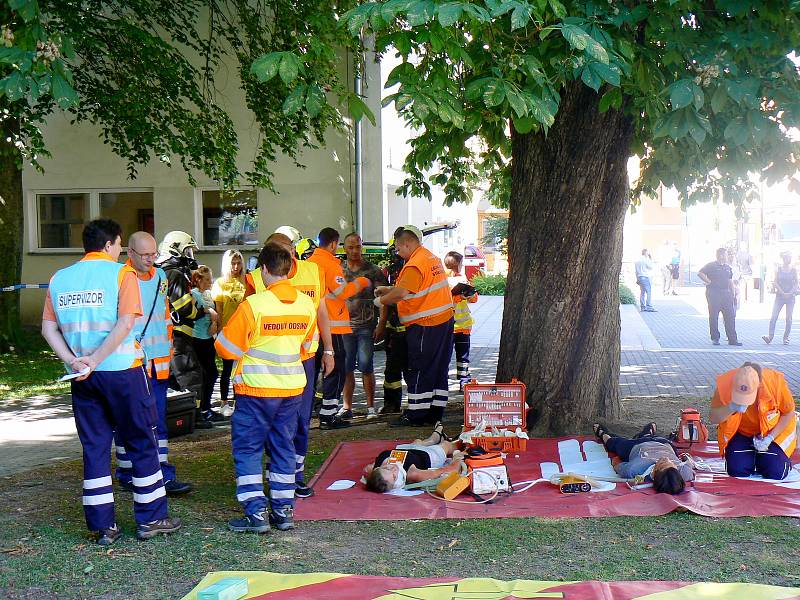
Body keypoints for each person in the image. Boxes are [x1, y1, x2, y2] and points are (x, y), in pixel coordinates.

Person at [41, 219, 181, 545]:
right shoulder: (122, 274)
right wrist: (97, 358)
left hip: (83, 377)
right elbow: (125, 323)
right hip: (122, 372)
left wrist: (76, 360)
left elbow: (49, 330)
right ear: (110, 245)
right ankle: (152, 519)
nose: (120, 250)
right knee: (142, 442)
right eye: (119, 245)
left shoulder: (59, 278)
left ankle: (103, 526)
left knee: (95, 447)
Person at [215, 242, 318, 533]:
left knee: (248, 449)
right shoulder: (306, 304)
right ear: (289, 270)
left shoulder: (254, 305)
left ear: (262, 270)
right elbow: (309, 347)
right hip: (291, 390)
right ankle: (283, 510)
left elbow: (225, 348)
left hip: (256, 390)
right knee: (283, 446)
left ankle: (256, 513)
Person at [114, 231, 193, 497]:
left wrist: (169, 353)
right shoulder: (119, 277)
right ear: (130, 253)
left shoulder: (160, 276)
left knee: (157, 420)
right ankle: (127, 472)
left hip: (158, 362)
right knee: (129, 419)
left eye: (153, 255)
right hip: (131, 363)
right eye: (145, 255)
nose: (150, 260)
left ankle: (160, 473)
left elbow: (164, 316)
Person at [261, 230, 334, 499]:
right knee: (276, 420)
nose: (287, 255)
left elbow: (321, 310)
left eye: (289, 249)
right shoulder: (259, 277)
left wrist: (329, 350)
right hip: (271, 363)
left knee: (302, 420)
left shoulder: (312, 271)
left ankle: (296, 475)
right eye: (280, 251)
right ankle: (276, 475)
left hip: (304, 359)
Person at [375, 225, 454, 427]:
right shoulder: (430, 258)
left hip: (425, 324)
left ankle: (416, 414)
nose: (397, 252)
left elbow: (402, 294)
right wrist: (389, 289)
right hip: (443, 322)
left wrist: (381, 301)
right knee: (438, 369)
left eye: (399, 248)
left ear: (407, 244)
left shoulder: (414, 264)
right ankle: (435, 412)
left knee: (419, 368)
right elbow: (411, 288)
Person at [307, 227, 372, 429]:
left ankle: (309, 413)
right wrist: (362, 282)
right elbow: (343, 292)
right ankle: (328, 415)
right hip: (332, 326)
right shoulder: (329, 263)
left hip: (312, 326)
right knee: (335, 370)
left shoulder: (308, 264)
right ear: (334, 244)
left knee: (314, 370)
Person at [156, 231, 216, 427]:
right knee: (192, 375)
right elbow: (186, 309)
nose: (191, 256)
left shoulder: (164, 272)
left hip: (171, 336)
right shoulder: (174, 274)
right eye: (188, 250)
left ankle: (178, 417)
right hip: (178, 335)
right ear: (176, 250)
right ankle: (195, 416)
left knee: (175, 379)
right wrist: (202, 311)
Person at [710, 363, 798, 480]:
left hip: (772, 432)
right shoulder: (724, 385)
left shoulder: (775, 383)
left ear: (759, 385)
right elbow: (713, 418)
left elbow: (789, 413)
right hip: (741, 432)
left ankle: (764, 458)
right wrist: (731, 407)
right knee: (736, 470)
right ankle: (754, 457)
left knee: (775, 471)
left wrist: (769, 438)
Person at [340, 232, 388, 420]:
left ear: (362, 247)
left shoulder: (373, 270)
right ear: (344, 248)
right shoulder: (339, 270)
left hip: (366, 326)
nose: (354, 251)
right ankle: (347, 407)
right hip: (344, 326)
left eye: (357, 247)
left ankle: (370, 408)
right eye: (350, 247)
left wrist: (382, 323)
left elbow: (383, 299)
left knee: (367, 366)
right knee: (346, 367)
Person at [593, 423, 693, 494]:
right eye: (672, 463)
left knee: (612, 443)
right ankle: (647, 433)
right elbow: (689, 461)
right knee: (647, 436)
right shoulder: (684, 472)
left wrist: (622, 455)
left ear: (655, 472)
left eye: (662, 463)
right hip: (662, 442)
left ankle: (603, 434)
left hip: (636, 445)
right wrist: (685, 458)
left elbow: (616, 463)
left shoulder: (633, 469)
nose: (666, 458)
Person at [363, 424, 465, 493]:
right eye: (394, 476)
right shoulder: (412, 474)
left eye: (386, 468)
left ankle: (435, 438)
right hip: (427, 456)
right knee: (446, 445)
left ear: (377, 469)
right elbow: (448, 470)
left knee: (418, 442)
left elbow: (368, 471)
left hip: (407, 449)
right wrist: (457, 457)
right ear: (396, 484)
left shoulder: (374, 469)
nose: (394, 468)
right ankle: (463, 438)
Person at [212, 249, 247, 416]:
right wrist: (219, 329)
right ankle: (224, 402)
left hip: (243, 331)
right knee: (226, 369)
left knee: (241, 369)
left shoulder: (246, 282)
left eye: (239, 263)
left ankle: (239, 400)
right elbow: (218, 309)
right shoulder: (219, 283)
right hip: (227, 330)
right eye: (233, 263)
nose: (236, 266)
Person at [380, 227, 409, 415]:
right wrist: (382, 324)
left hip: (410, 327)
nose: (396, 254)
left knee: (409, 368)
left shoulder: (412, 268)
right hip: (394, 327)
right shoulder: (390, 270)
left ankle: (414, 403)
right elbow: (386, 303)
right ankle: (392, 404)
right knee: (391, 371)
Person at [191, 265, 221, 422]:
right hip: (197, 339)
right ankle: (201, 408)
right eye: (207, 279)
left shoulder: (209, 294)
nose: (210, 282)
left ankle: (207, 406)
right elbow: (194, 314)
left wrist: (214, 325)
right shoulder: (194, 294)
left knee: (213, 373)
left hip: (208, 338)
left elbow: (214, 315)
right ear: (198, 279)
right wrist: (208, 311)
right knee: (204, 375)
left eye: (211, 279)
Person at [444, 251, 478, 388]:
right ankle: (459, 380)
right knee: (453, 356)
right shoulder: (444, 281)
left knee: (461, 356)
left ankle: (463, 380)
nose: (463, 266)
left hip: (460, 326)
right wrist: (458, 297)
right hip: (450, 326)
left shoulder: (463, 279)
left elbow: (474, 299)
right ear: (456, 265)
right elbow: (443, 300)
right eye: (461, 263)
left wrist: (469, 295)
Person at [698, 247, 741, 346]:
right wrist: (708, 281)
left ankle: (732, 339)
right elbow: (700, 273)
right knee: (714, 316)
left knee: (730, 317)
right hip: (714, 293)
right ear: (720, 255)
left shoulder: (727, 267)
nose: (727, 256)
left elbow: (730, 281)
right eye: (725, 254)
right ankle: (715, 338)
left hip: (726, 294)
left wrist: (733, 293)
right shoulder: (711, 265)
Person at [763, 251, 798, 345]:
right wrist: (782, 292)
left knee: (789, 318)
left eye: (790, 257)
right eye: (787, 257)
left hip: (791, 297)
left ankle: (786, 338)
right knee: (774, 317)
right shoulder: (779, 269)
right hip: (780, 296)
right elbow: (775, 281)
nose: (789, 259)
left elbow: (796, 283)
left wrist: (790, 292)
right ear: (783, 259)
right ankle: (770, 336)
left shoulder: (793, 270)